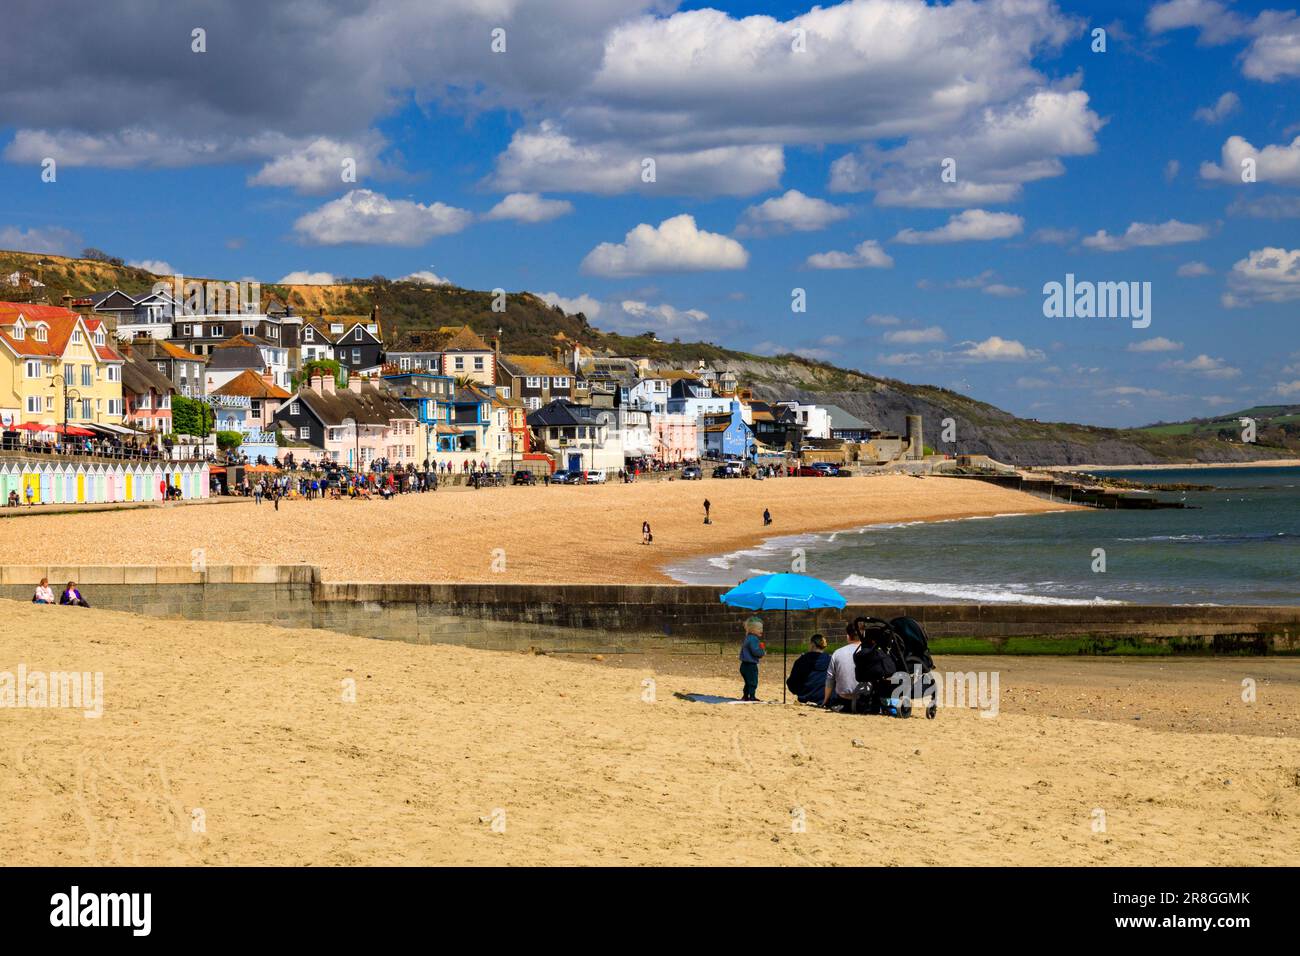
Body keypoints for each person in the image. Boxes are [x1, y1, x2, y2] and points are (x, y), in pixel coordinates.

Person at [823, 621, 862, 710]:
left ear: (848, 636)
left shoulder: (838, 653)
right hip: (864, 699)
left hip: (843, 699)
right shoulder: (871, 652)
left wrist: (825, 700)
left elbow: (830, 679)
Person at [787, 634, 831, 703]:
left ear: (812, 644)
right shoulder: (831, 660)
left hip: (805, 698)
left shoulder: (801, 660)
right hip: (825, 698)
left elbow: (792, 684)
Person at [738, 615, 766, 701]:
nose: (761, 630)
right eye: (759, 629)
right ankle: (752, 696)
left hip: (744, 665)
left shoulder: (747, 638)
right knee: (753, 681)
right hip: (750, 665)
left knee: (747, 682)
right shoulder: (754, 639)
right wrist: (762, 651)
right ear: (752, 630)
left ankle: (745, 696)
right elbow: (755, 651)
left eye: (762, 628)